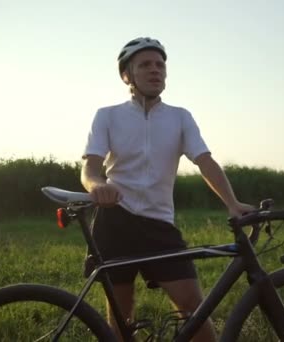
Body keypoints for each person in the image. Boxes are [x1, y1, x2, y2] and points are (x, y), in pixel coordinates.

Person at [81, 37, 254, 342]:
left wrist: (232, 202)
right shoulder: (107, 115)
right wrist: (97, 186)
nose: (155, 70)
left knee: (193, 307)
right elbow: (91, 167)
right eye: (145, 65)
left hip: (159, 224)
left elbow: (205, 161)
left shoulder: (179, 117)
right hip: (115, 219)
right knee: (121, 317)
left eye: (160, 64)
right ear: (127, 75)